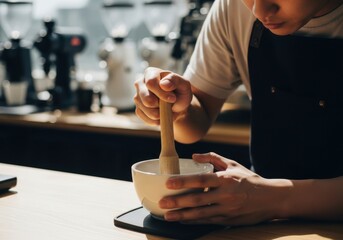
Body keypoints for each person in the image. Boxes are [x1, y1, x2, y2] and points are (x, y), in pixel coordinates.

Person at [134, 0, 343, 226]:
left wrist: (274, 198)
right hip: (263, 221)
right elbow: (196, 122)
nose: (259, 11)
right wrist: (174, 107)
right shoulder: (234, 7)